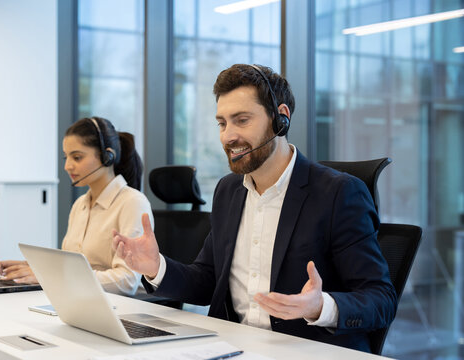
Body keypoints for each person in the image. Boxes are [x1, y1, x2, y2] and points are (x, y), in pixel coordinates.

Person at [112, 64, 397, 352]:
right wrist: (155, 267)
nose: (228, 136)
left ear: (281, 119)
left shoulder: (337, 193)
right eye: (222, 123)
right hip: (232, 347)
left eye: (242, 120)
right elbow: (207, 281)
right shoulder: (228, 190)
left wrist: (320, 307)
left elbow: (381, 299)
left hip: (304, 351)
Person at [0, 117, 153, 296]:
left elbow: (126, 281)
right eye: (67, 157)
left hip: (117, 308)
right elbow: (72, 266)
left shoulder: (132, 203)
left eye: (77, 157)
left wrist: (48, 276)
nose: (67, 166)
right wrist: (28, 268)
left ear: (107, 156)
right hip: (78, 300)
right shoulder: (80, 205)